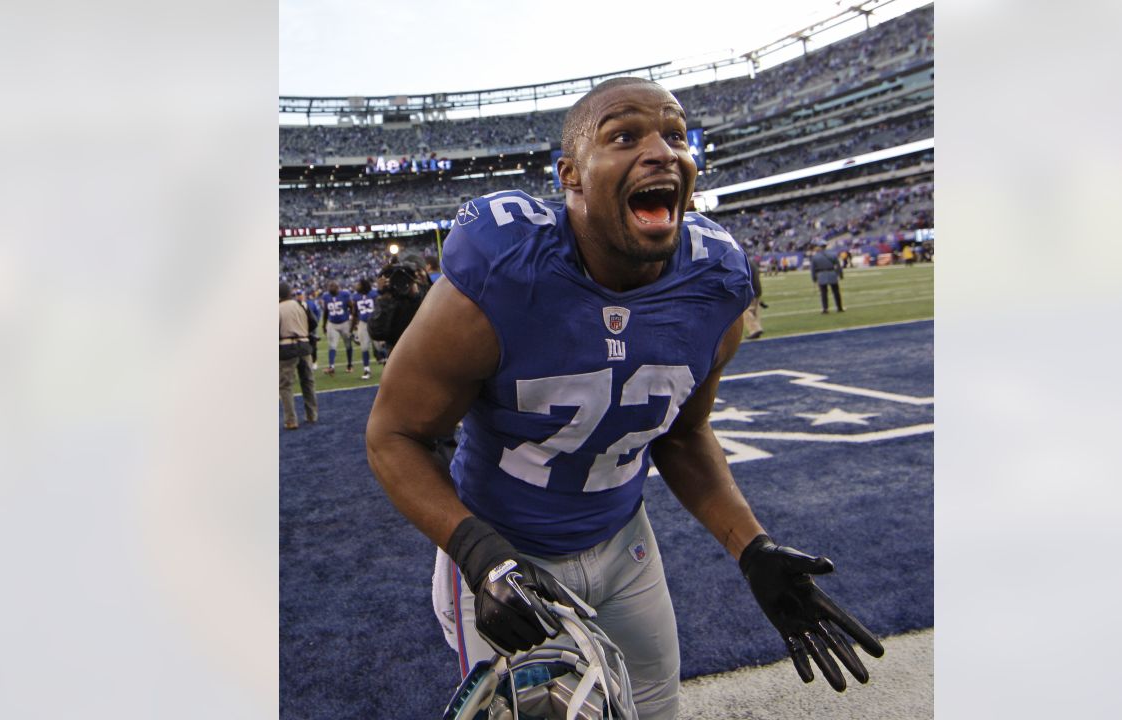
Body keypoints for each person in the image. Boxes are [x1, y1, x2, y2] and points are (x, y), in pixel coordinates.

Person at [366, 77, 882, 719]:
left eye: (674, 134)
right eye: (624, 135)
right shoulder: (502, 273)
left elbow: (684, 434)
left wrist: (751, 549)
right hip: (503, 553)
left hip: (624, 544)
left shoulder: (715, 284)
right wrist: (480, 557)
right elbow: (394, 435)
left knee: (656, 709)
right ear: (571, 176)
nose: (663, 151)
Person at [279, 283, 318, 429]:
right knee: (308, 381)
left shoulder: (278, 308)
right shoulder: (301, 305)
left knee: (286, 385)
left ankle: (291, 420)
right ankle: (312, 414)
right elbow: (313, 323)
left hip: (286, 347)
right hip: (304, 345)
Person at [320, 280, 355, 375]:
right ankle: (331, 367)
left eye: (333, 286)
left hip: (345, 323)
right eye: (329, 286)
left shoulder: (345, 294)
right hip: (332, 323)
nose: (330, 288)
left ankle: (350, 365)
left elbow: (352, 307)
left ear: (338, 287)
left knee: (348, 345)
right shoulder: (326, 296)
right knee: (332, 345)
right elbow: (326, 312)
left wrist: (353, 320)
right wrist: (324, 325)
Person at [352, 278, 380, 379]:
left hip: (375, 322)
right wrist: (353, 327)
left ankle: (387, 363)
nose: (356, 286)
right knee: (364, 347)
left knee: (379, 346)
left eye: (358, 284)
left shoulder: (374, 294)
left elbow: (379, 308)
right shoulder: (356, 296)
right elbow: (355, 312)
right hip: (363, 323)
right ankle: (366, 369)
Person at [810, 241, 844, 314]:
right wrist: (840, 275)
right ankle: (839, 307)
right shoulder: (833, 254)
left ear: (819, 247)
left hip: (821, 275)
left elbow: (813, 269)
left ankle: (825, 309)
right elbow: (838, 266)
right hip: (832, 274)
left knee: (823, 293)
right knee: (836, 292)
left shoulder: (815, 256)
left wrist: (814, 278)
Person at [743, 254, 766, 340]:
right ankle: (757, 329)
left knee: (746, 311)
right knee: (755, 312)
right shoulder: (752, 263)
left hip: (751, 291)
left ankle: (755, 329)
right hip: (757, 290)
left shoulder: (743, 264)